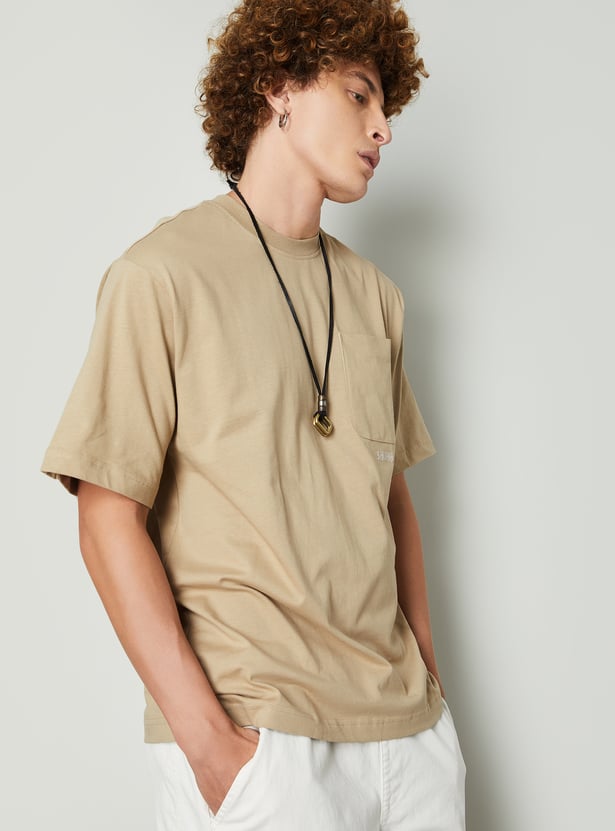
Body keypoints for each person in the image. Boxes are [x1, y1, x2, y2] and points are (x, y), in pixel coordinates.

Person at [41, 1, 466, 828]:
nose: (382, 128)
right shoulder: (160, 276)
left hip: (408, 741)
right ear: (278, 86)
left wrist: (430, 686)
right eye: (359, 94)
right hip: (262, 736)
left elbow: (390, 500)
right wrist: (211, 747)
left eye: (385, 107)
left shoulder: (376, 296)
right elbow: (106, 515)